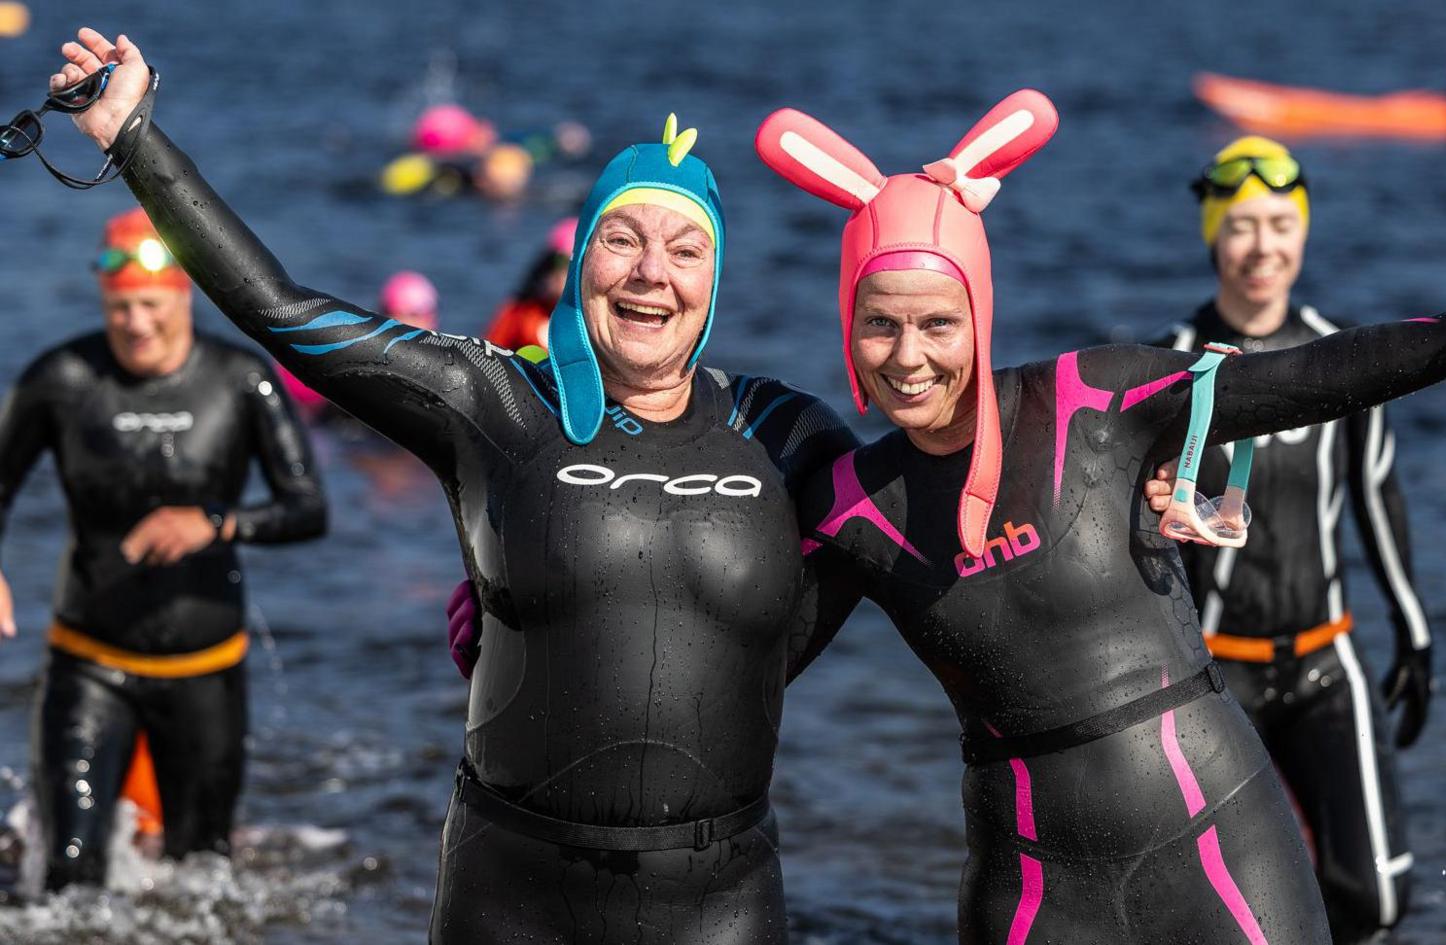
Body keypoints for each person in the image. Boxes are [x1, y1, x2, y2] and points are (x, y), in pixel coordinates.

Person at [756, 90, 1446, 943]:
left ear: (979, 314)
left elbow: (1312, 376)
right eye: (880, 324)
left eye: (937, 323)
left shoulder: (1089, 401)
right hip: (1029, 882)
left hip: (1214, 837)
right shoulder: (849, 504)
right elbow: (740, 676)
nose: (908, 357)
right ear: (847, 322)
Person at [50, 29, 858, 944]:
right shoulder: (493, 399)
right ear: (582, 255)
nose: (650, 273)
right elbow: (282, 309)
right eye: (622, 239)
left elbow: (904, 544)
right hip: (511, 883)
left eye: (685, 249)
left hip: (721, 894)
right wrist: (135, 139)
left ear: (715, 282)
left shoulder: (785, 430)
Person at [1141, 135, 1429, 942]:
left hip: (1325, 661)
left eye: (1278, 223)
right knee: (1218, 912)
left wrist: (1415, 628)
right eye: (1240, 225)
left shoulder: (1344, 359)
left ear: (1303, 231)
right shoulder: (1168, 364)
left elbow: (1378, 496)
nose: (1261, 247)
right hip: (1215, 680)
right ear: (1212, 236)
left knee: (1373, 900)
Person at [0, 206, 327, 891]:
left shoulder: (240, 380)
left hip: (203, 670)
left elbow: (308, 510)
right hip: (89, 661)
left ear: (182, 296)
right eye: (120, 308)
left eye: (150, 304)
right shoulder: (62, 379)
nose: (136, 323)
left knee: (200, 873)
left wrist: (216, 521)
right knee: (67, 872)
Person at [276, 270, 440, 420]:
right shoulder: (352, 355)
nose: (406, 322)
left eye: (416, 315)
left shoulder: (440, 371)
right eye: (396, 313)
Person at [481, 217, 577, 353]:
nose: (561, 274)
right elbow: (486, 356)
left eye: (573, 265)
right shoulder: (519, 314)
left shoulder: (593, 324)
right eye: (558, 263)